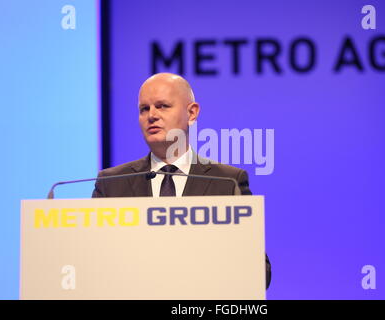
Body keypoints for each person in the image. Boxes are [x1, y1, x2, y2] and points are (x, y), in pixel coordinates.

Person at [92, 73, 271, 289]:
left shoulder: (227, 182)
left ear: (192, 113)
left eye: (163, 106)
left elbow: (260, 272)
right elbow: (93, 266)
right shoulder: (112, 184)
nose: (152, 115)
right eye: (144, 109)